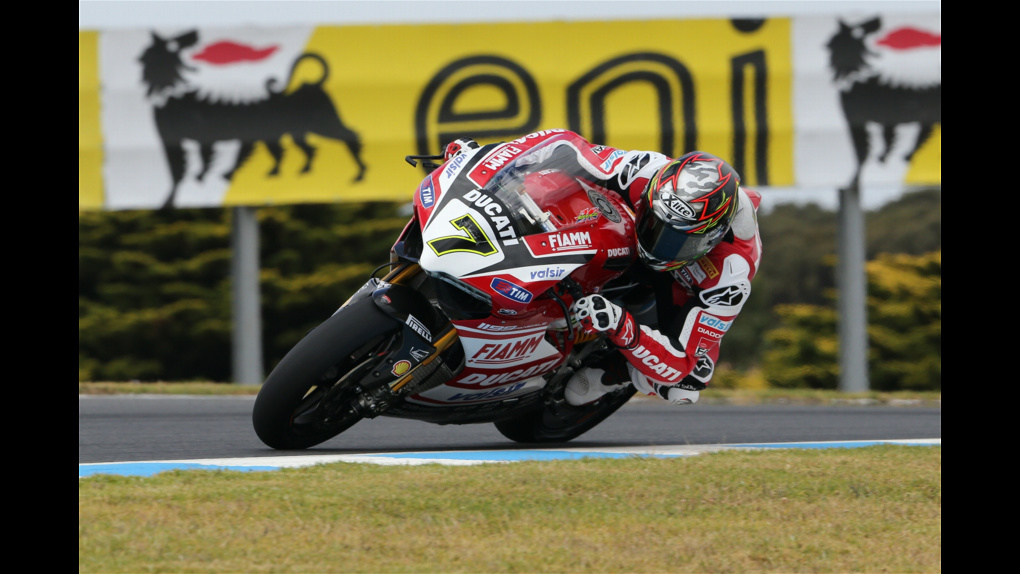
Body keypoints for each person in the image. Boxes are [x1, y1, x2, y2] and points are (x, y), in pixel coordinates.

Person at [442, 129, 762, 406]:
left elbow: (681, 362)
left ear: (712, 238)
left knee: (688, 383)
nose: (658, 243)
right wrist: (483, 160)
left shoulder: (732, 271)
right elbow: (563, 144)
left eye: (678, 240)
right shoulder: (643, 169)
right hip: (615, 232)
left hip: (678, 281)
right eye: (655, 224)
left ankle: (618, 374)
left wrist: (620, 324)